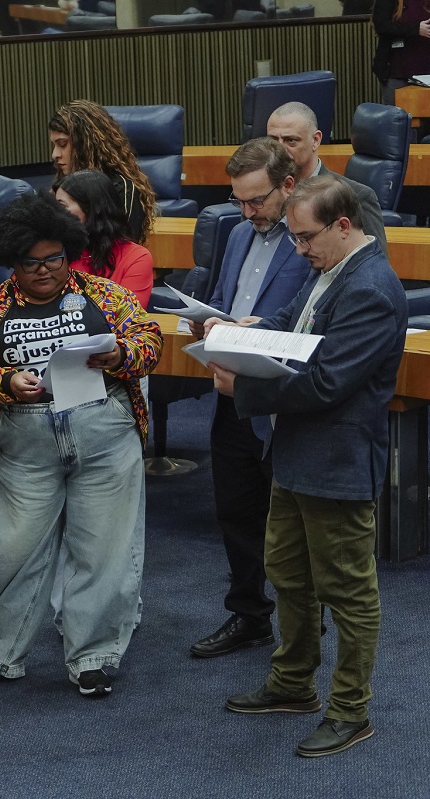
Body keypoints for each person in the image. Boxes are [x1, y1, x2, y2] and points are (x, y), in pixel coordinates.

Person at [212, 175, 406, 758]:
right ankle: (293, 683)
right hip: (296, 453)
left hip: (337, 461)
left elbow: (326, 383)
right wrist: (245, 334)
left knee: (347, 590)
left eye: (305, 238)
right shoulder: (330, 269)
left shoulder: (372, 288)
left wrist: (240, 387)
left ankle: (351, 710)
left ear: (343, 226)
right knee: (290, 576)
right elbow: (293, 328)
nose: (298, 250)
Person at [0, 191, 162, 697]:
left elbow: (149, 341)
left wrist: (119, 355)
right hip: (27, 437)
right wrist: (5, 382)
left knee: (104, 549)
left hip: (102, 431)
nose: (43, 271)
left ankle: (93, 656)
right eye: (30, 263)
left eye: (53, 259)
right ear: (10, 262)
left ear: (68, 251)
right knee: (9, 551)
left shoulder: (105, 296)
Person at [188, 137, 312, 659]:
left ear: (288, 185)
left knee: (292, 520)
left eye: (256, 200)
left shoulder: (310, 238)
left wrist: (261, 328)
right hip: (229, 390)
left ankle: (303, 620)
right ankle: (248, 615)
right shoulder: (237, 233)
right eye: (239, 199)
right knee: (236, 510)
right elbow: (221, 299)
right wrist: (209, 317)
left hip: (282, 398)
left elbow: (313, 319)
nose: (247, 210)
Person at [266, 102, 387, 251]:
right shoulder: (263, 195)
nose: (280, 150)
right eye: (272, 141)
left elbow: (374, 265)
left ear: (315, 140)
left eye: (291, 140)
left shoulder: (357, 197)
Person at [48, 99, 156, 244]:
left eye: (63, 144)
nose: (55, 154)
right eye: (54, 145)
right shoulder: (62, 185)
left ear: (86, 144)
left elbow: (119, 253)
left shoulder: (121, 189)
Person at [55, 169, 153, 306]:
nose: (54, 213)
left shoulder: (135, 257)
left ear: (90, 210)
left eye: (61, 206)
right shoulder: (53, 252)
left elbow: (127, 316)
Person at [372, 0, 430, 104]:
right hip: (397, 70)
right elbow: (381, 25)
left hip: (425, 71)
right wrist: (416, 29)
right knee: (397, 116)